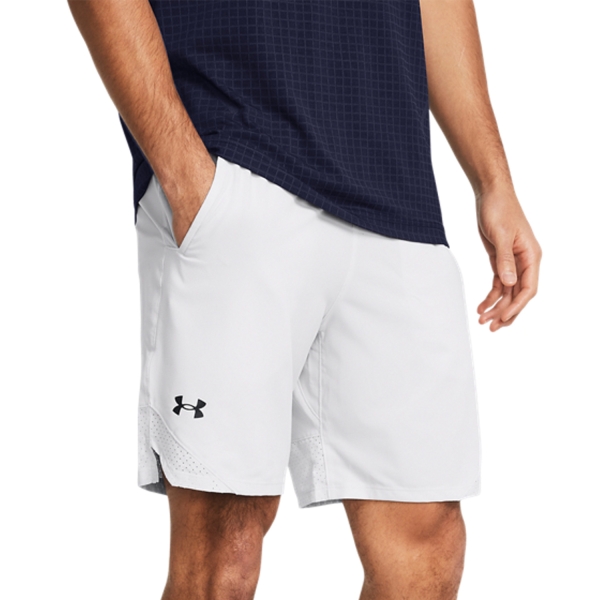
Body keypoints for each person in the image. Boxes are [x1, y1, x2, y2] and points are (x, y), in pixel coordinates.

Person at [68, 1, 541, 598]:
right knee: (223, 550)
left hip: (395, 187)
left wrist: (493, 180)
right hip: (236, 154)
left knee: (427, 547)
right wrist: (185, 175)